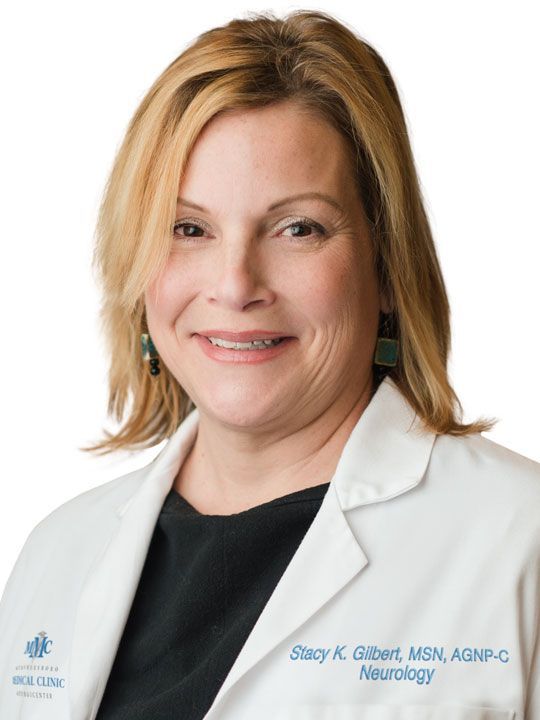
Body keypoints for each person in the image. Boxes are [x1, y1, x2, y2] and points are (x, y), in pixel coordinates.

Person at [0, 8, 538, 720]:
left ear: (384, 266)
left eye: (297, 228)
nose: (234, 284)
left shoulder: (519, 539)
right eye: (189, 229)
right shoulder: (58, 552)